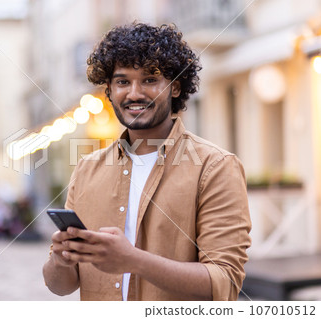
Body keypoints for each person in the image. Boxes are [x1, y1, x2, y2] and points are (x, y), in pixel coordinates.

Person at [42, 22, 251, 301]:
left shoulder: (215, 167)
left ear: (175, 87)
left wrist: (133, 260)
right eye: (122, 81)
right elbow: (60, 286)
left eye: (150, 80)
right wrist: (61, 259)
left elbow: (224, 283)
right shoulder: (87, 169)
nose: (134, 93)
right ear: (109, 90)